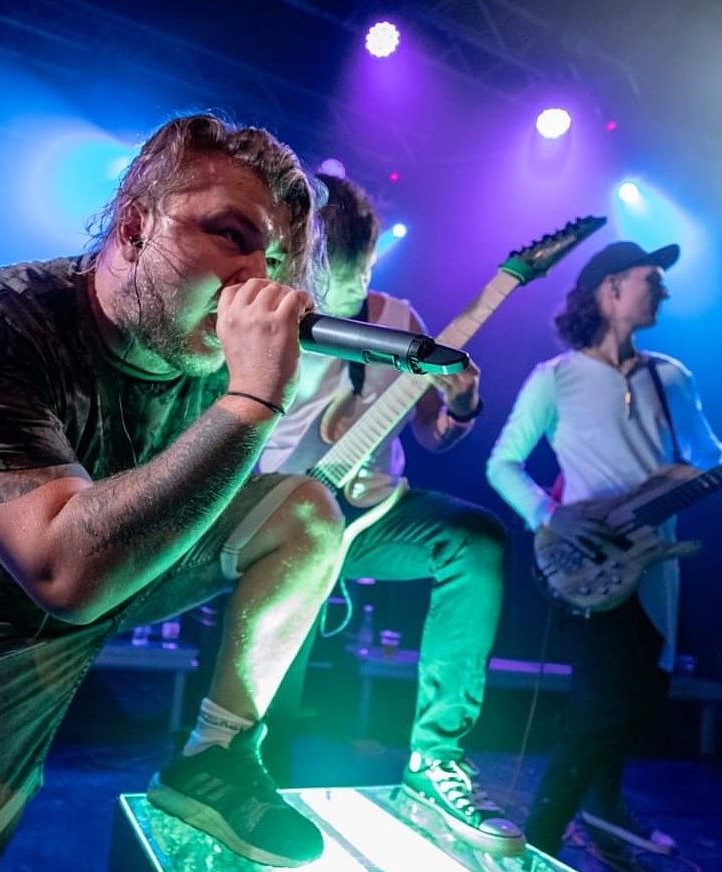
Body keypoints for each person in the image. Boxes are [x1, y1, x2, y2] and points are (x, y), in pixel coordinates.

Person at [0, 113, 348, 871]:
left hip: (146, 559)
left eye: (273, 260)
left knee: (305, 514)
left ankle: (218, 757)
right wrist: (253, 402)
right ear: (135, 226)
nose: (257, 282)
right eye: (231, 236)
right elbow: (61, 571)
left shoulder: (211, 349)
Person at [257, 173, 525, 856]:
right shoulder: (272, 316)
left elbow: (435, 432)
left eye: (364, 271)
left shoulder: (401, 319)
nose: (350, 291)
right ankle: (246, 776)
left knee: (476, 542)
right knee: (272, 703)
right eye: (336, 275)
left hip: (378, 514)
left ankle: (436, 758)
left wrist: (462, 404)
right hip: (283, 517)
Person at [486, 241, 722, 857]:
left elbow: (708, 463)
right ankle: (539, 836)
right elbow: (503, 464)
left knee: (640, 697)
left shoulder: (673, 376)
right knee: (602, 704)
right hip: (585, 567)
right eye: (653, 279)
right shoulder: (555, 378)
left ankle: (604, 810)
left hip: (653, 568)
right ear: (611, 289)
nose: (664, 290)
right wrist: (550, 516)